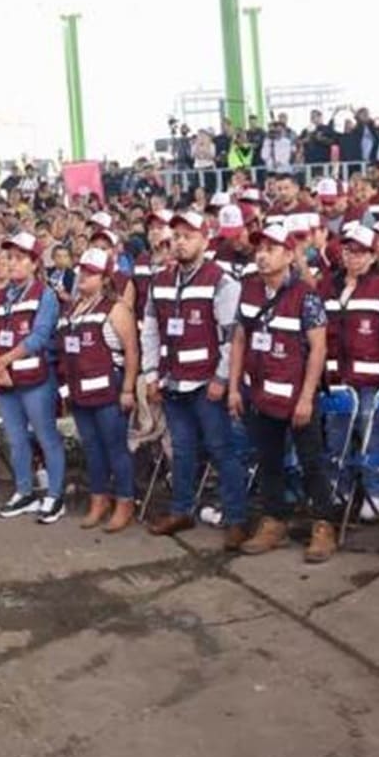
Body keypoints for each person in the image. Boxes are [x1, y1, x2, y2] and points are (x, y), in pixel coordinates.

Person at [229, 222, 338, 562]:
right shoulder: (248, 292)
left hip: (297, 397)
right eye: (259, 249)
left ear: (290, 255)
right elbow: (239, 340)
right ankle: (274, 521)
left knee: (311, 463)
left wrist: (306, 397)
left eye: (271, 249)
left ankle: (324, 525)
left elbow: (318, 349)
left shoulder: (306, 296)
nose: (262, 256)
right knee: (269, 462)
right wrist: (234, 387)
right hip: (261, 395)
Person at [141, 210, 250, 549]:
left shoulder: (222, 280)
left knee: (221, 450)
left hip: (206, 383)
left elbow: (232, 336)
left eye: (188, 236)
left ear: (205, 239)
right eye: (176, 237)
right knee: (183, 451)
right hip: (173, 382)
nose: (180, 242)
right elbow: (151, 331)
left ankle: (236, 518)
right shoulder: (159, 281)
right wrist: (150, 373)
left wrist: (221, 378)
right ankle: (181, 509)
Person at [0, 232, 69, 523]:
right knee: (16, 439)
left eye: (20, 258)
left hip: (36, 380)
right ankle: (24, 491)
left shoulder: (45, 295)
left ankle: (55, 496)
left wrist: (2, 362)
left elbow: (39, 337)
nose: (12, 263)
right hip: (4, 381)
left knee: (46, 436)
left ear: (34, 263)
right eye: (9, 257)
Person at [57, 247, 140, 532]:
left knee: (115, 448)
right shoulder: (71, 309)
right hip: (80, 391)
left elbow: (131, 350)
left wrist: (128, 389)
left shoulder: (116, 309)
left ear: (105, 278)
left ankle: (125, 501)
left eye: (91, 273)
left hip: (108, 390)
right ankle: (99, 499)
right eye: (82, 270)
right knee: (92, 448)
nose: (83, 276)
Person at [320, 222, 379, 521]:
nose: (352, 257)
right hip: (336, 377)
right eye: (348, 250)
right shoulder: (328, 284)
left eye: (359, 252)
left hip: (370, 378)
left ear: (372, 255)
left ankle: (376, 491)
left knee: (371, 433)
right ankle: (339, 486)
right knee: (336, 433)